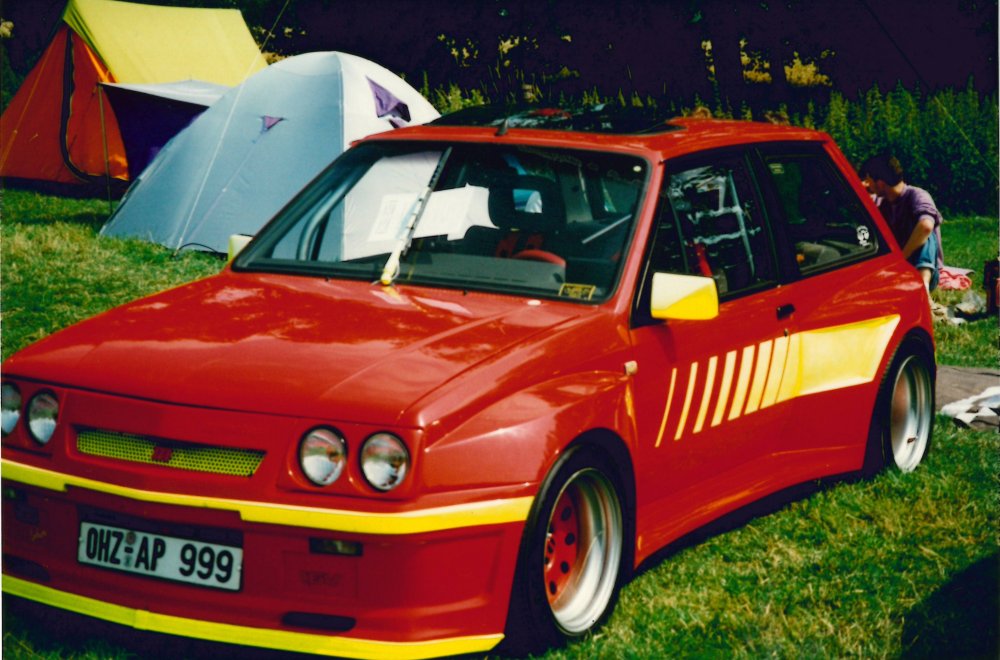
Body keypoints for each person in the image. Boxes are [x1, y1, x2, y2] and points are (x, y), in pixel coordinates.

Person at [860, 154, 943, 291]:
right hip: (899, 270)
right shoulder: (882, 203)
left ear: (880, 183)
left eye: (869, 180)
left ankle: (924, 288)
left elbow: (926, 227)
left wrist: (901, 258)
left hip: (923, 269)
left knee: (925, 230)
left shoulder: (917, 195)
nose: (867, 184)